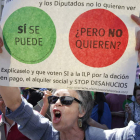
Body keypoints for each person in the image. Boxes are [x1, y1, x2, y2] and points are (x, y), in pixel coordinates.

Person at [0, 14, 140, 140]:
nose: (57, 103)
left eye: (66, 99)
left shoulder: (107, 137)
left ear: (82, 111)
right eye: (53, 98)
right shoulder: (46, 133)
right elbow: (15, 104)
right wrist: (3, 59)